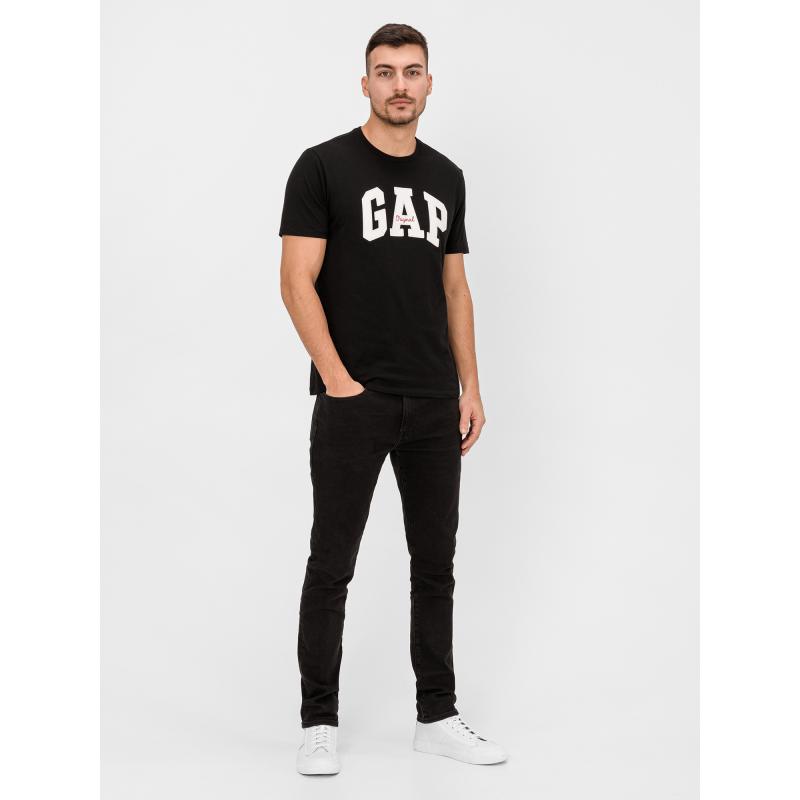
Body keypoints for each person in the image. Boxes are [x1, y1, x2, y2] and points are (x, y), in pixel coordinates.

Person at [279, 22, 507, 774]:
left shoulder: (447, 177)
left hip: (435, 401)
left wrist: (470, 386)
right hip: (356, 400)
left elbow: (455, 287)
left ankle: (436, 715)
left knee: (435, 565)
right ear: (365, 83)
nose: (399, 85)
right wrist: (338, 380)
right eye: (385, 72)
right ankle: (318, 721)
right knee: (332, 563)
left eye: (412, 72)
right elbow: (296, 281)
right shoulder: (323, 166)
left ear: (429, 83)